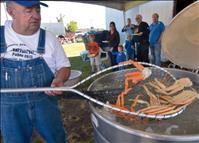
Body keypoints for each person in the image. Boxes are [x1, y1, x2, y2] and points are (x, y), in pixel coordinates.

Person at [0, 1, 71, 143]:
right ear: (11, 12)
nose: (36, 15)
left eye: (37, 10)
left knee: (57, 139)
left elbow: (64, 67)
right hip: (9, 107)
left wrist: (59, 79)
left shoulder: (49, 38)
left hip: (44, 101)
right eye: (28, 10)